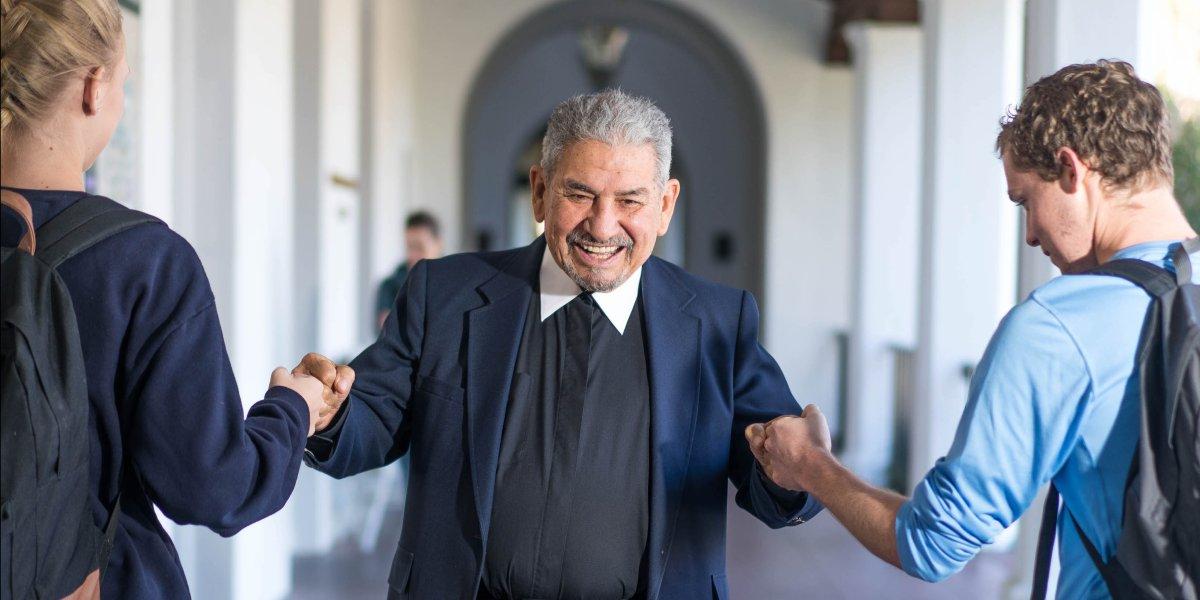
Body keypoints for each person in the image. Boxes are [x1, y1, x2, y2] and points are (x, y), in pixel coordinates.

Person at [296, 89, 824, 599]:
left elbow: (776, 476)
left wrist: (797, 472)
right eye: (580, 194)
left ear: (665, 206)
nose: (602, 224)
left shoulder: (716, 323)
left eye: (629, 201)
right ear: (540, 191)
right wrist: (330, 416)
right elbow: (371, 416)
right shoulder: (446, 295)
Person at [748, 61, 1196, 598]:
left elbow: (932, 544)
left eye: (1026, 201)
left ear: (1072, 171)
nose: (1031, 235)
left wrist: (809, 464)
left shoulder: (1058, 326)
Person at [0, 1, 335, 597]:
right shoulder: (144, 261)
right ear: (93, 87)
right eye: (125, 81)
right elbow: (217, 488)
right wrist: (293, 408)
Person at [375, 211, 443, 330]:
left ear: (438, 244)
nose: (412, 255)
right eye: (409, 247)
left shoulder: (456, 283)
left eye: (419, 247)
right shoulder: (389, 287)